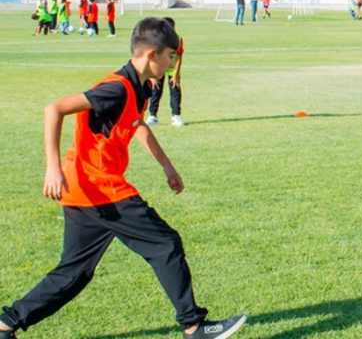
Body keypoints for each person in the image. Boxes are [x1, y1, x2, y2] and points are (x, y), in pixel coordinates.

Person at [0, 18, 246, 339]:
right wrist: (52, 166)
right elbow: (54, 109)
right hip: (99, 187)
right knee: (165, 243)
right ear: (151, 56)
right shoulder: (116, 88)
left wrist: (167, 166)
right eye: (170, 56)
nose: (173, 63)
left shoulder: (138, 87)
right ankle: (194, 327)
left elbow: (135, 124)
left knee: (73, 274)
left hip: (83, 191)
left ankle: (5, 325)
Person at [147, 17, 185, 127]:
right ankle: (153, 116)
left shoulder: (177, 39)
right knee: (155, 91)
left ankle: (176, 116)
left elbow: (179, 57)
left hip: (172, 70)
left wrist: (176, 74)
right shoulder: (156, 40)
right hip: (159, 68)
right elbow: (151, 57)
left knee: (175, 91)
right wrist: (152, 75)